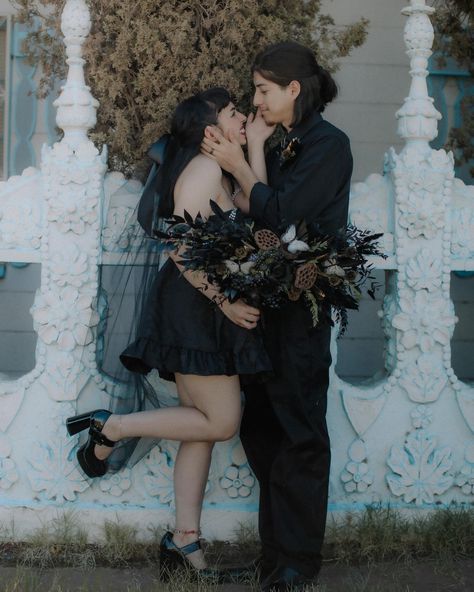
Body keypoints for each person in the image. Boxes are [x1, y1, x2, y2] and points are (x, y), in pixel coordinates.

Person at [66, 88, 273, 579]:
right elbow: (182, 252)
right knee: (222, 422)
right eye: (233, 113)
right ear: (210, 130)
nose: (243, 116)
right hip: (194, 307)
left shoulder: (218, 169)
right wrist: (226, 301)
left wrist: (256, 147)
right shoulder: (201, 173)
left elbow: (260, 209)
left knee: (199, 427)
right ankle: (112, 427)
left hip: (205, 307)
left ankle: (185, 543)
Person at [201, 42, 353, 591]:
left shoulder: (328, 146)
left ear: (294, 89)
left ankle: (297, 565)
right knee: (263, 431)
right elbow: (252, 211)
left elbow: (284, 214)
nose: (256, 99)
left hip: (301, 308)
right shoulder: (277, 139)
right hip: (262, 305)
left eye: (263, 89)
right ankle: (274, 560)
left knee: (300, 436)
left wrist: (240, 166)